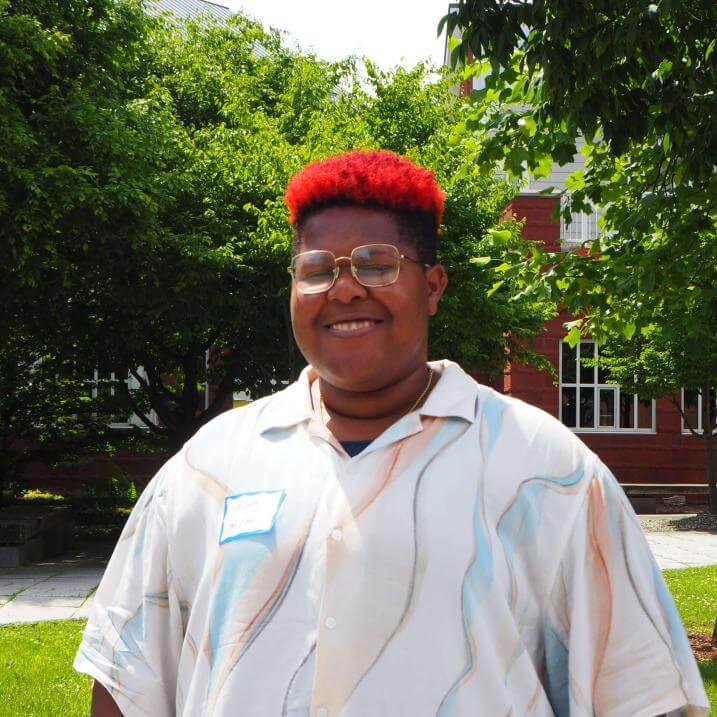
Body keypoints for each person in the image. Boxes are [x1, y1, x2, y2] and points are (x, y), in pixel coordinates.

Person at [76, 150, 708, 716]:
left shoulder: (546, 470)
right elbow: (128, 677)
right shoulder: (208, 467)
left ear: (432, 287)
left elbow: (639, 689)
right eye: (318, 268)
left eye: (377, 265)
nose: (345, 288)